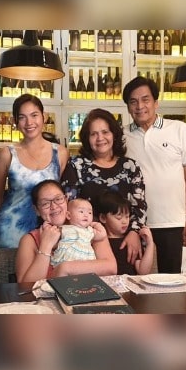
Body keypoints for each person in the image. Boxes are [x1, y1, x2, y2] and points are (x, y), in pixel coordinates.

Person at [122, 76, 186, 273]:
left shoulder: (178, 129)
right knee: (135, 279)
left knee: (170, 280)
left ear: (156, 102)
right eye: (133, 101)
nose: (140, 106)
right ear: (128, 107)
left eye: (145, 99)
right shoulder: (121, 136)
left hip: (171, 222)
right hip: (134, 224)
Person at [61, 108, 147, 264]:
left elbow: (139, 206)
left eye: (105, 132)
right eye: (93, 134)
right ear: (87, 138)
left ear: (114, 134)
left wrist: (134, 232)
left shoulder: (130, 167)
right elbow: (70, 206)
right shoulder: (76, 165)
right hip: (87, 244)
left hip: (125, 241)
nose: (100, 138)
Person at [0, 94, 69, 249]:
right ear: (15, 122)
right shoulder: (7, 154)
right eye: (22, 117)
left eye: (34, 115)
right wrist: (13, 217)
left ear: (44, 117)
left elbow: (59, 194)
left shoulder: (60, 153)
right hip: (11, 232)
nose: (29, 122)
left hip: (47, 233)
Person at [15, 179, 117, 283]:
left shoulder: (89, 228)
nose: (54, 206)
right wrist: (45, 246)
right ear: (36, 210)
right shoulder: (30, 240)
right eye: (45, 203)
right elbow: (25, 285)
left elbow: (111, 268)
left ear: (66, 199)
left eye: (58, 199)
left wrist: (65, 268)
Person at [97, 191, 154, 275]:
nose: (124, 221)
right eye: (119, 218)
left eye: (127, 217)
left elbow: (143, 271)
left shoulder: (132, 241)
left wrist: (150, 244)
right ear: (103, 218)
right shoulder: (98, 242)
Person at [50, 198, 97, 267]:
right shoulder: (66, 228)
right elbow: (52, 241)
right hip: (67, 259)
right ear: (69, 215)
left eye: (90, 213)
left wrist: (97, 226)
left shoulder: (90, 230)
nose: (86, 215)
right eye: (81, 211)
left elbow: (101, 236)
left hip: (86, 262)